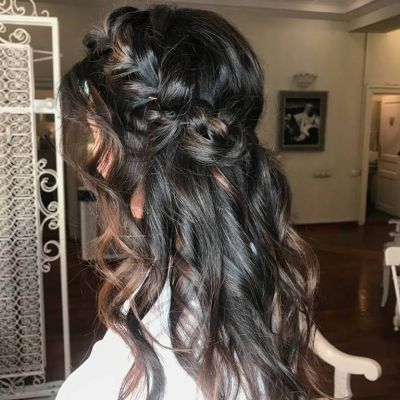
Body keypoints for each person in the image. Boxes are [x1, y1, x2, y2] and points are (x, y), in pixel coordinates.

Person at [57, 5, 320, 400]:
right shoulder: (249, 263)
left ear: (148, 158)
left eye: (97, 137)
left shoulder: (138, 378)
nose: (98, 163)